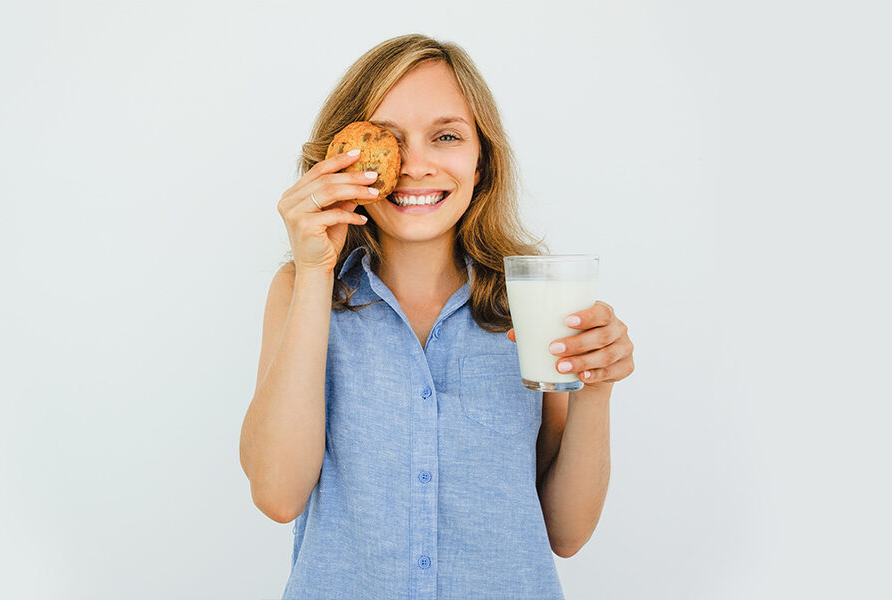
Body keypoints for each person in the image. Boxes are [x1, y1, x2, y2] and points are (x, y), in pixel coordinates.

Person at [239, 34, 635, 599]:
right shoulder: (305, 290)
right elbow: (277, 495)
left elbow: (566, 533)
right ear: (339, 161)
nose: (415, 166)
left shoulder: (530, 299)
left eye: (446, 136)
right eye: (390, 140)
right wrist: (315, 269)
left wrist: (595, 389)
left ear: (482, 164)